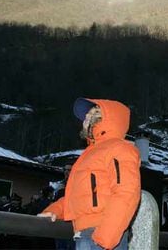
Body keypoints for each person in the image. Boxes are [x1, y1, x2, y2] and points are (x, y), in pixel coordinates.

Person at [38, 98, 141, 250]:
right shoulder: (91, 153)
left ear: (105, 118)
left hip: (98, 234)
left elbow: (126, 191)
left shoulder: (119, 148)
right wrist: (54, 211)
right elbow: (79, 195)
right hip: (86, 233)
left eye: (89, 115)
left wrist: (105, 237)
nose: (84, 120)